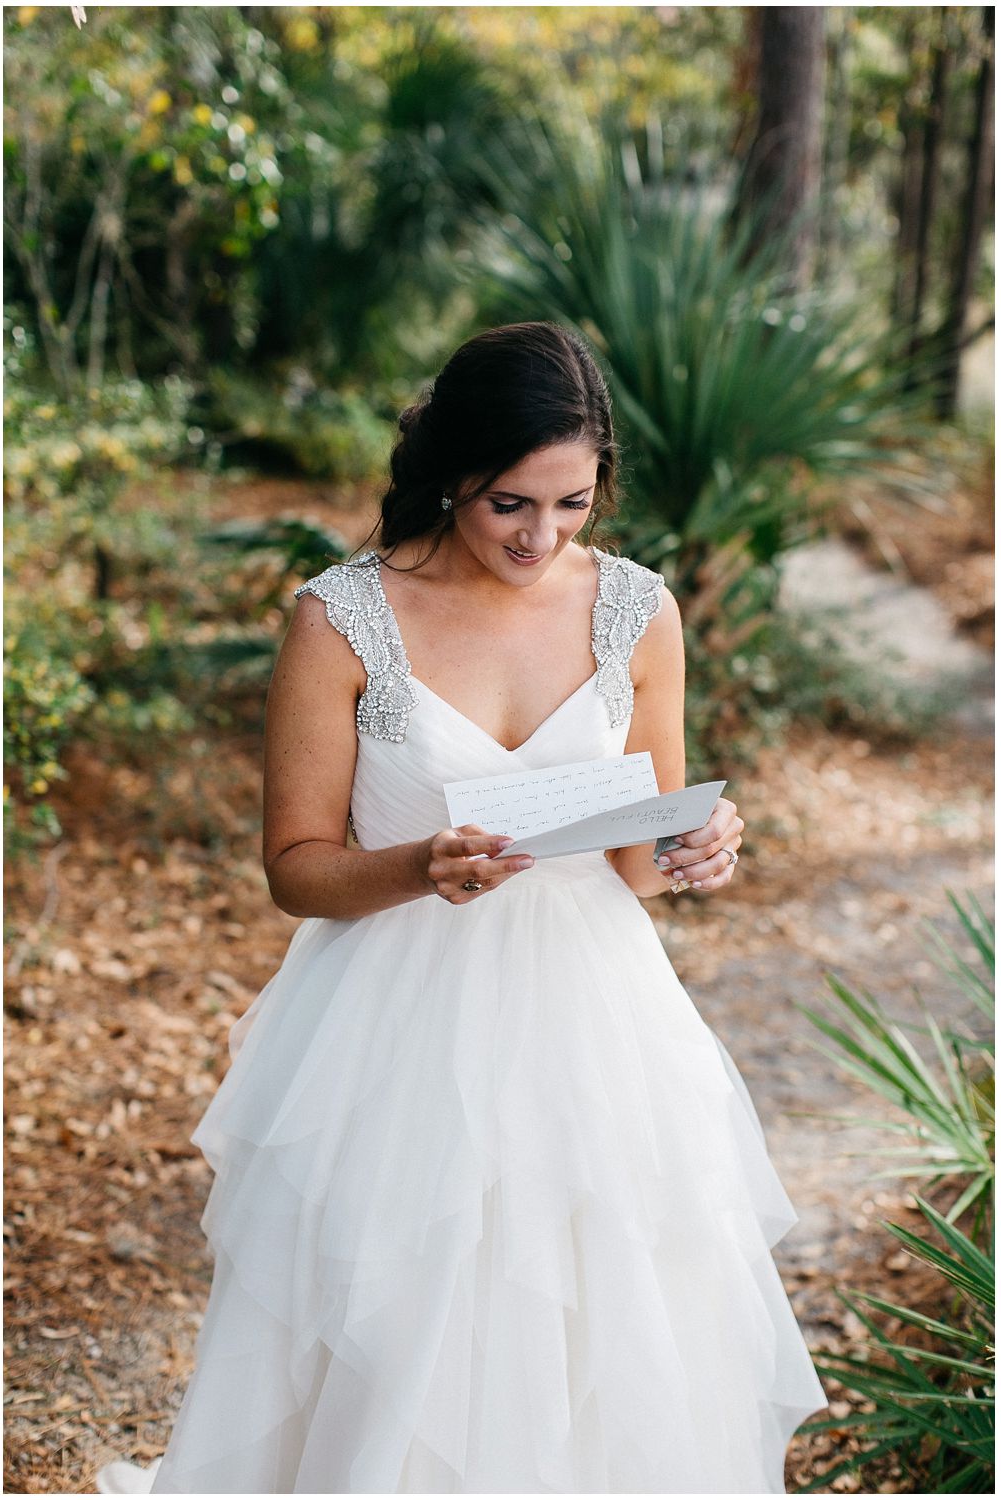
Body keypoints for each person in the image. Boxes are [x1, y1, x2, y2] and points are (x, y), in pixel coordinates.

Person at [96, 321, 826, 1495]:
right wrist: (418, 869)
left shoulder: (637, 612)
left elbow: (632, 860)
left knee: (596, 1320)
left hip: (593, 1021)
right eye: (508, 507)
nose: (542, 538)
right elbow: (294, 864)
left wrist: (696, 845)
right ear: (452, 475)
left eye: (572, 504)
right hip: (393, 1021)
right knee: (400, 1322)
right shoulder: (340, 619)